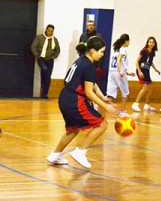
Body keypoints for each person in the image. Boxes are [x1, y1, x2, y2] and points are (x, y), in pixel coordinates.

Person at [46, 36, 119, 169]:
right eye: (101, 52)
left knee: (73, 129)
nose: (102, 55)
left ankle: (55, 155)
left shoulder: (81, 61)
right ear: (92, 51)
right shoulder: (89, 66)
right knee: (102, 124)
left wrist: (102, 97)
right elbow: (89, 92)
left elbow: (92, 83)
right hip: (74, 100)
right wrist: (107, 107)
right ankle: (80, 152)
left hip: (65, 98)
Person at [106, 34, 135, 117]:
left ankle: (97, 104)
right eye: (129, 41)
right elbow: (118, 61)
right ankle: (122, 112)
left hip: (112, 72)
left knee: (110, 94)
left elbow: (118, 63)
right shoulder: (122, 50)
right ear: (126, 41)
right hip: (119, 73)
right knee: (125, 93)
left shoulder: (116, 50)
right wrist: (122, 71)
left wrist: (127, 72)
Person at [131, 36, 161, 112]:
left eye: (153, 42)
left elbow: (150, 62)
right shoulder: (143, 51)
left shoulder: (153, 52)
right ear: (147, 43)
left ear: (155, 44)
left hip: (147, 71)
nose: (151, 43)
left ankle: (147, 105)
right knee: (145, 88)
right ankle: (135, 104)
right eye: (150, 42)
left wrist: (155, 69)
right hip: (141, 70)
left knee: (150, 89)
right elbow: (136, 61)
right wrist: (139, 71)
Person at [31, 24, 60, 99]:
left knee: (48, 76)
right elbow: (33, 47)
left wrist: (54, 56)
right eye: (49, 31)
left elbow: (58, 49)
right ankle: (43, 89)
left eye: (52, 31)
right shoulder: (40, 37)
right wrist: (37, 55)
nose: (50, 32)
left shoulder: (54, 40)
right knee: (44, 70)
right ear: (46, 30)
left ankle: (45, 93)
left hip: (50, 60)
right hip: (41, 59)